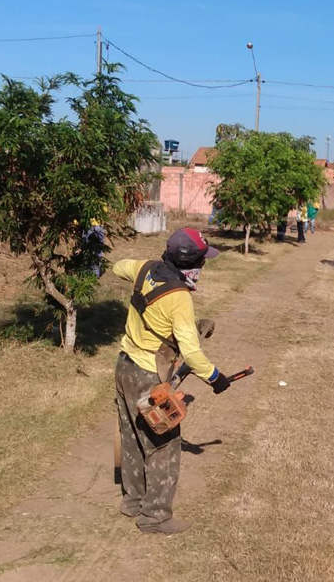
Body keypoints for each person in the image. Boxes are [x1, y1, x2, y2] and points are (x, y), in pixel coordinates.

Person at [112, 228, 231, 534]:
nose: (203, 266)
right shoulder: (179, 297)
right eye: (202, 261)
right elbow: (191, 352)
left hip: (124, 367)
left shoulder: (145, 268)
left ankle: (133, 501)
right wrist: (215, 378)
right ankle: (155, 517)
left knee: (131, 436)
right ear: (191, 263)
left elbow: (118, 266)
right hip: (149, 376)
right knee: (163, 444)